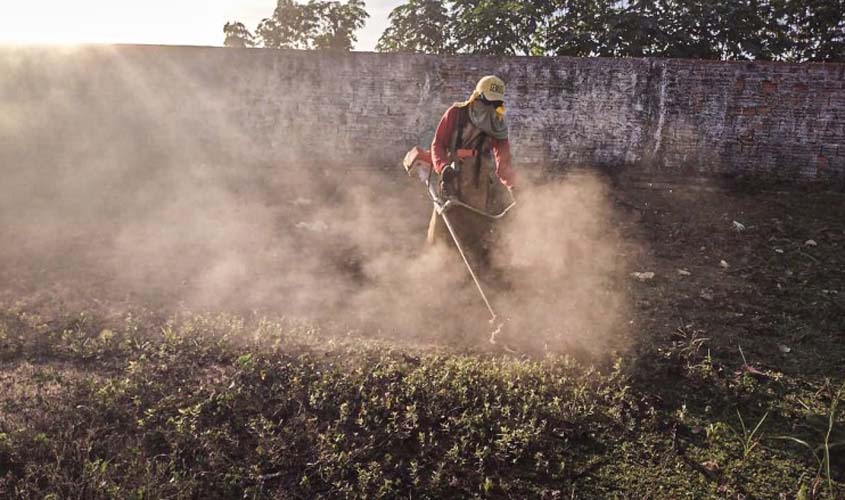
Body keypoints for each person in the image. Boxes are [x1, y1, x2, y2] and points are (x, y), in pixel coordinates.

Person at [426, 75, 516, 274]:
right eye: (487, 101)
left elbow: (504, 164)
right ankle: (435, 271)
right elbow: (438, 144)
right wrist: (443, 167)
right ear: (477, 96)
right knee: (444, 228)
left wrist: (514, 187)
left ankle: (470, 276)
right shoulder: (456, 114)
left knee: (473, 230)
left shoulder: (497, 124)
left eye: (495, 103)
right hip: (452, 177)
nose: (490, 107)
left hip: (479, 182)